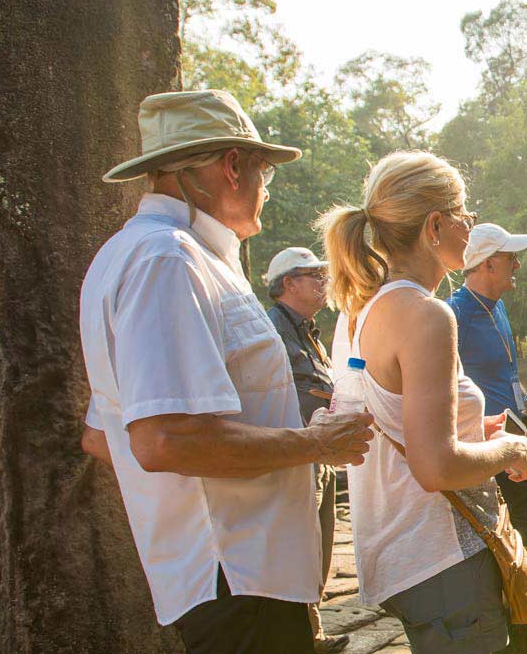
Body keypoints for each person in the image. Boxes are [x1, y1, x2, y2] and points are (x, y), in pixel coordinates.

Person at [78, 89, 374, 652]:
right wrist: (312, 444)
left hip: (237, 567)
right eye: (266, 174)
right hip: (237, 572)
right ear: (234, 166)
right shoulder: (168, 260)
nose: (266, 190)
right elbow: (164, 441)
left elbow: (102, 435)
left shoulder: (155, 255)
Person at [317, 150, 527, 654]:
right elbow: (435, 467)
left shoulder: (359, 310)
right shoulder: (425, 313)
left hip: (398, 552)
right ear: (434, 225)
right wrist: (509, 450)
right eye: (465, 214)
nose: (471, 225)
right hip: (441, 556)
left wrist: (472, 427)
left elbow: (392, 415)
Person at [262, 245, 351, 654]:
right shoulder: (270, 331)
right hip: (296, 451)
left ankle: (311, 629)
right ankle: (304, 633)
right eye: (313, 275)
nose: (323, 282)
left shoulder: (309, 331)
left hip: (320, 451)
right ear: (287, 284)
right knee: (301, 542)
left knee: (321, 540)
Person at [447, 223, 527, 571]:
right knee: (509, 559)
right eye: (510, 258)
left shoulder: (497, 307)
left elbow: (505, 373)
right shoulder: (453, 313)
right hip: (482, 451)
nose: (516, 265)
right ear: (488, 264)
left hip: (515, 440)